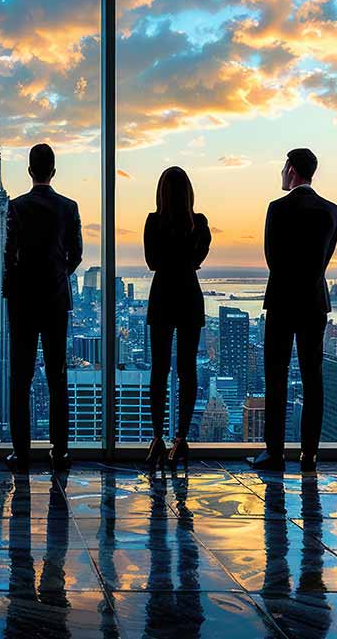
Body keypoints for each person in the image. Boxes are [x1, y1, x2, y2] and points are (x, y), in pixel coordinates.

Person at [250, 148, 337, 473]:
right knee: (312, 378)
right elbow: (326, 256)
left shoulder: (277, 208)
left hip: (282, 301)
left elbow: (272, 258)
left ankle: (274, 453)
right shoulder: (330, 210)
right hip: (314, 301)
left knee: (276, 376)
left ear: (291, 170)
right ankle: (309, 456)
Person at [3, 143, 83, 470]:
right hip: (54, 299)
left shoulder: (17, 207)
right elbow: (76, 254)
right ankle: (60, 451)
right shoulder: (68, 207)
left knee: (20, 378)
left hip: (22, 302)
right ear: (53, 171)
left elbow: (9, 254)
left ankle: (21, 453)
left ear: (29, 171)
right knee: (57, 376)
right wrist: (59, 274)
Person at [142, 166, 211, 470]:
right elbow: (198, 260)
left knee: (159, 369)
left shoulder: (153, 222)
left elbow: (151, 261)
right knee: (187, 370)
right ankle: (181, 439)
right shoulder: (200, 224)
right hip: (189, 296)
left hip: (162, 296)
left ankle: (157, 438)